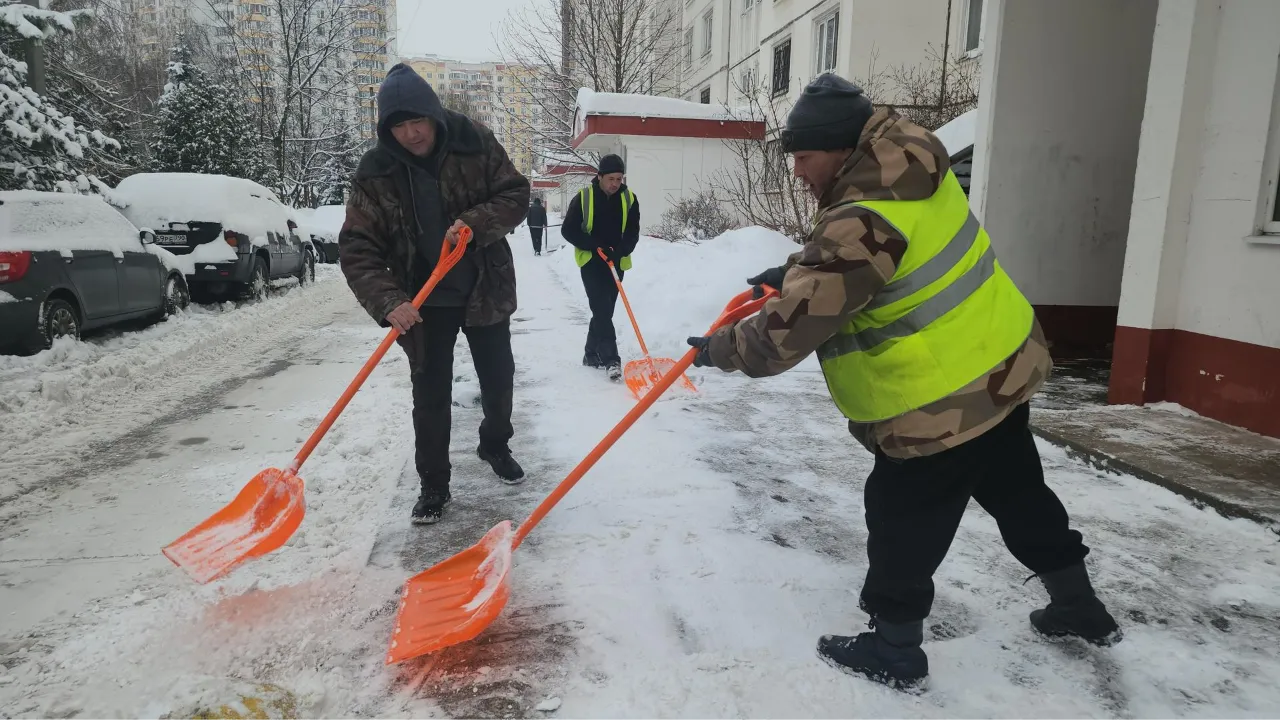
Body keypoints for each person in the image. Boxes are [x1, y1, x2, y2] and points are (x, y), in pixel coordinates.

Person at [686, 74, 1120, 690]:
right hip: (999, 368)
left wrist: (718, 350)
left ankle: (894, 647)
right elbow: (878, 262)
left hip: (937, 402)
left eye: (804, 157)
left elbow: (785, 336)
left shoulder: (860, 217)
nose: (799, 172)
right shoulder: (913, 172)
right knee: (1021, 494)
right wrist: (793, 271)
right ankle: (1079, 606)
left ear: (839, 148)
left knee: (901, 519)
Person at [339, 63, 531, 526]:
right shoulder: (376, 172)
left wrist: (475, 223)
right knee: (430, 395)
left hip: (483, 288)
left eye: (416, 122)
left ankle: (494, 444)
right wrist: (389, 301)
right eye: (399, 126)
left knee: (498, 380)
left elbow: (516, 195)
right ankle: (434, 484)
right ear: (387, 129)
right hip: (422, 302)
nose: (410, 134)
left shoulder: (473, 140)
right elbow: (357, 247)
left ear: (433, 115)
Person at [560, 155, 640, 379]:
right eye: (611, 178)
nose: (615, 183)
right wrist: (594, 246)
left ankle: (590, 353)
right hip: (592, 263)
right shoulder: (584, 198)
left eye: (619, 178)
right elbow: (568, 230)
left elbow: (633, 233)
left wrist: (620, 251)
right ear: (600, 176)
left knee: (605, 311)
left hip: (616, 262)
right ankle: (611, 359)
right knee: (602, 310)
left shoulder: (629, 199)